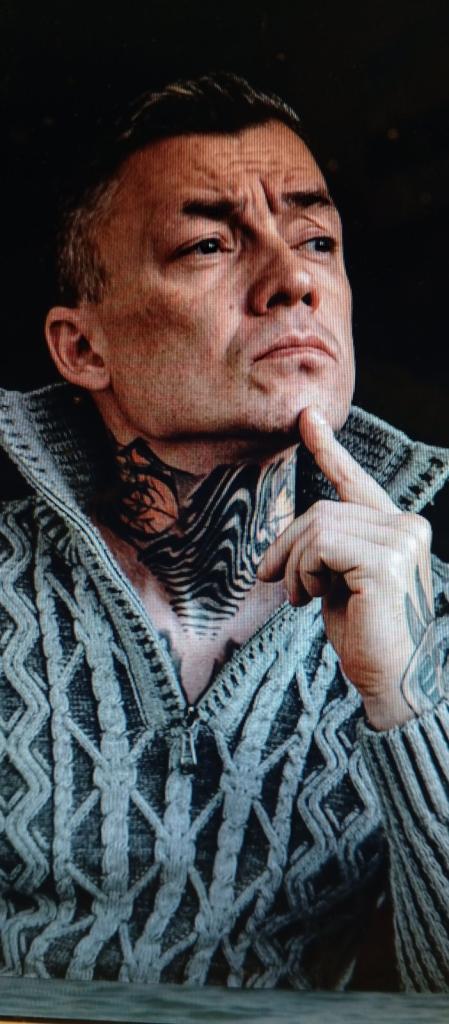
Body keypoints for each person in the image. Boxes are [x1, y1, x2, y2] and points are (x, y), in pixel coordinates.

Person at [0, 72, 449, 991]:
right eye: (208, 244)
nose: (295, 280)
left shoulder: (427, 613)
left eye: (317, 240)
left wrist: (403, 700)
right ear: (83, 347)